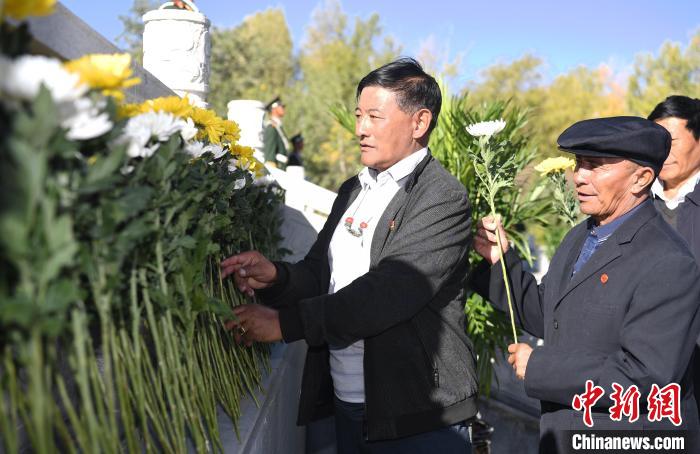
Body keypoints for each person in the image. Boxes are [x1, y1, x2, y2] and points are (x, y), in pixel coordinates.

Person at [220, 58, 476, 453]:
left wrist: (285, 324)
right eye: (359, 115)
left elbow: (386, 293)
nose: (360, 129)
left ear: (420, 122)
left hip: (417, 418)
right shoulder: (355, 190)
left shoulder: (442, 198)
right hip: (345, 402)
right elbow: (321, 273)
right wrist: (275, 277)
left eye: (374, 116)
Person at [471, 116, 700, 453]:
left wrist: (540, 366)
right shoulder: (584, 235)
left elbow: (643, 378)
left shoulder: (669, 261)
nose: (578, 176)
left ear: (641, 178)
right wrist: (500, 261)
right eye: (579, 163)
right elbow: (548, 313)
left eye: (595, 165)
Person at [648, 95, 700, 421]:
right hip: (648, 370)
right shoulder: (633, 205)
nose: (662, 152)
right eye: (656, 142)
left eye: (673, 141)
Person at [262, 96, 290, 168]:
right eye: (280, 106)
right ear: (274, 109)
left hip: (282, 167)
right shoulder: (271, 127)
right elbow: (270, 155)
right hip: (277, 169)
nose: (283, 108)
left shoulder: (278, 126)